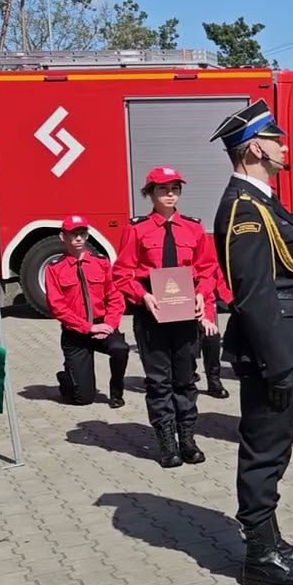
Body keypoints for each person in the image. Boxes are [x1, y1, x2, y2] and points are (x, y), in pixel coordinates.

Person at [210, 99, 293, 585]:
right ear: (254, 147)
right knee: (262, 451)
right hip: (271, 347)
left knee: (276, 449)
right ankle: (258, 557)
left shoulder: (263, 200)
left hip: (287, 339)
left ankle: (271, 539)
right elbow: (253, 294)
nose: (284, 144)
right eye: (275, 138)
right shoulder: (244, 207)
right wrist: (277, 363)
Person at [112, 166, 219, 468]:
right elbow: (122, 273)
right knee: (159, 381)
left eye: (174, 189)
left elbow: (208, 269)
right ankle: (167, 443)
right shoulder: (137, 229)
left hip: (185, 314)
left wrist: (202, 295)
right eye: (162, 189)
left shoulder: (194, 229)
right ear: (151, 194)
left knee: (185, 379)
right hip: (152, 315)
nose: (170, 194)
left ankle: (187, 439)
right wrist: (142, 297)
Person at [46, 215, 129, 408]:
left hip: (103, 325)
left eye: (82, 234)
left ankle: (116, 392)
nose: (78, 238)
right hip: (75, 333)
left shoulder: (101, 263)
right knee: (83, 399)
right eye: (73, 234)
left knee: (120, 349)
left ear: (87, 236)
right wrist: (88, 327)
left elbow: (115, 297)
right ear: (63, 237)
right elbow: (57, 307)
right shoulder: (54, 268)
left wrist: (109, 324)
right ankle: (67, 378)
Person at [198, 270, 231, 400]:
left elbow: (208, 294)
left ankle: (213, 380)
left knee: (211, 336)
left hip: (200, 309)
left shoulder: (202, 267)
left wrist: (206, 318)